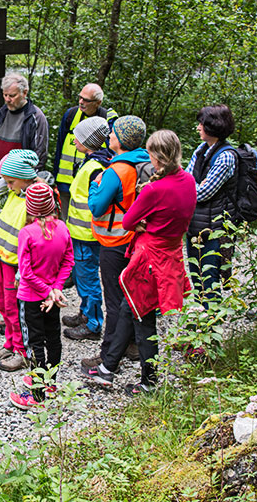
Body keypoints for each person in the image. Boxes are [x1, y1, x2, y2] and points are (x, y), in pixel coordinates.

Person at [83, 130, 196, 395]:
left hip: (148, 258)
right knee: (128, 307)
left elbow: (129, 221)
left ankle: (149, 382)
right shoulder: (189, 181)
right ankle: (108, 368)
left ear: (157, 156)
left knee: (143, 318)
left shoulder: (155, 189)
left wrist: (145, 224)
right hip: (172, 253)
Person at [83, 116, 149, 371]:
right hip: (136, 239)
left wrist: (94, 187)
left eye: (113, 133)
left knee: (114, 299)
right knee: (130, 296)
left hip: (115, 241)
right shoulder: (144, 163)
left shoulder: (116, 170)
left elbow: (97, 207)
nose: (109, 136)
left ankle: (109, 354)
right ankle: (131, 345)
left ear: (121, 140)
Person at [10, 182, 74, 410]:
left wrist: (46, 291)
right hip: (52, 298)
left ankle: (36, 397)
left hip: (30, 298)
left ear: (29, 208)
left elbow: (25, 272)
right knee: (53, 338)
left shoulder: (27, 233)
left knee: (33, 344)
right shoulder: (63, 229)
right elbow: (68, 262)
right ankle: (50, 384)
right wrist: (54, 290)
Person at [0, 149, 44, 372]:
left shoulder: (35, 199)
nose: (7, 185)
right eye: (6, 182)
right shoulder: (13, 192)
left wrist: (22, 272)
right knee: (4, 303)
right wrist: (6, 178)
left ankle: (21, 350)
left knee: (17, 308)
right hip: (3, 258)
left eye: (10, 181)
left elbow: (37, 240)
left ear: (25, 177)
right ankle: (10, 342)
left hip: (19, 266)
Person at [62, 117, 113, 341]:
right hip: (81, 233)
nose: (75, 141)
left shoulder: (95, 167)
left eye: (79, 137)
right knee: (83, 277)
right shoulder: (92, 161)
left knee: (88, 279)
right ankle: (85, 313)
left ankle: (93, 324)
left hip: (86, 235)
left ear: (88, 141)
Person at [185, 105, 238, 306]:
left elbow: (202, 193)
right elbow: (187, 182)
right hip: (196, 227)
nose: (198, 128)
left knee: (210, 281)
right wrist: (197, 185)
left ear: (213, 127)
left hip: (214, 230)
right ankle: (200, 327)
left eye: (202, 124)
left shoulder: (225, 156)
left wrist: (196, 186)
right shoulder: (202, 150)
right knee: (197, 278)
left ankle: (211, 327)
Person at [53, 84, 118, 219]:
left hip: (91, 182)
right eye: (80, 98)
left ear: (98, 103)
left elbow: (114, 149)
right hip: (65, 180)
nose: (81, 102)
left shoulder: (108, 119)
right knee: (65, 218)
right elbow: (59, 147)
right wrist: (55, 177)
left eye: (86, 100)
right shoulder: (71, 115)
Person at [0, 73, 49, 194]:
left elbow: (39, 155)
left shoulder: (35, 117)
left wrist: (26, 184)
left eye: (12, 95)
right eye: (5, 95)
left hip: (20, 184)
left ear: (24, 93)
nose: (7, 99)